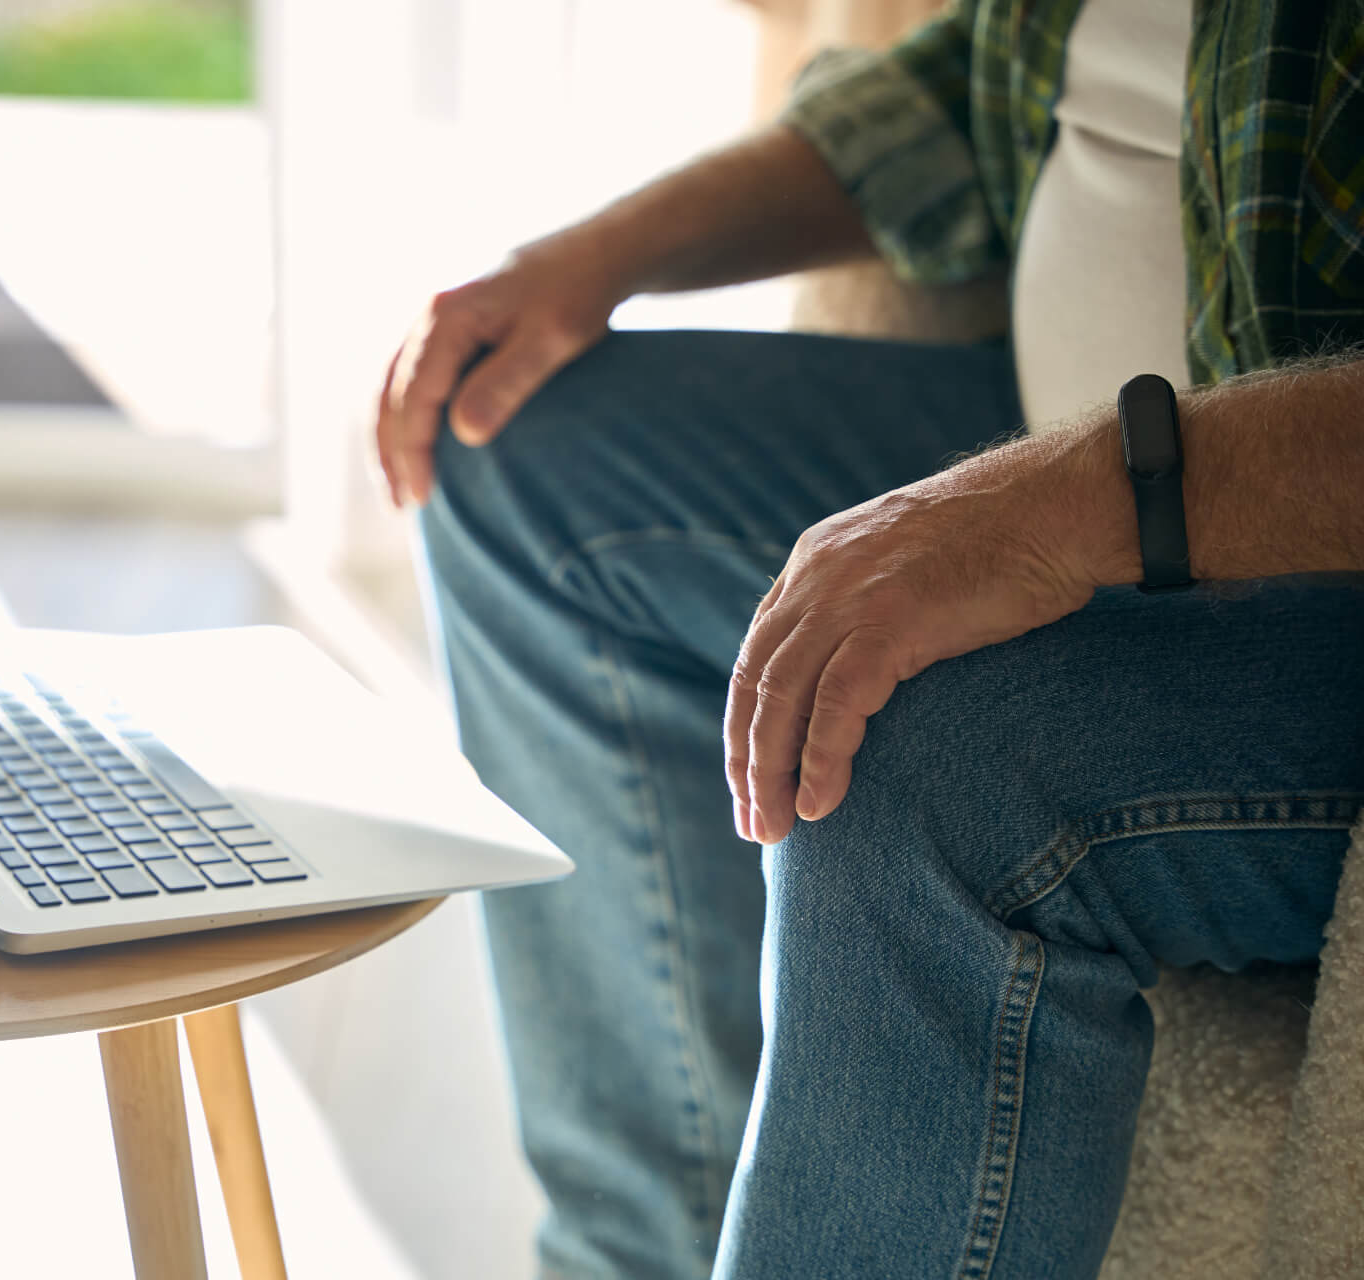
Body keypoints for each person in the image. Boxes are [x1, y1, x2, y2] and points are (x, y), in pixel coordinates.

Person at [370, 1, 1364, 1275]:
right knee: (514, 450)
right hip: (1065, 422)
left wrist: (1078, 503)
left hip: (1303, 555)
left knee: (921, 741)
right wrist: (601, 253)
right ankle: (642, 1254)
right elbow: (965, 97)